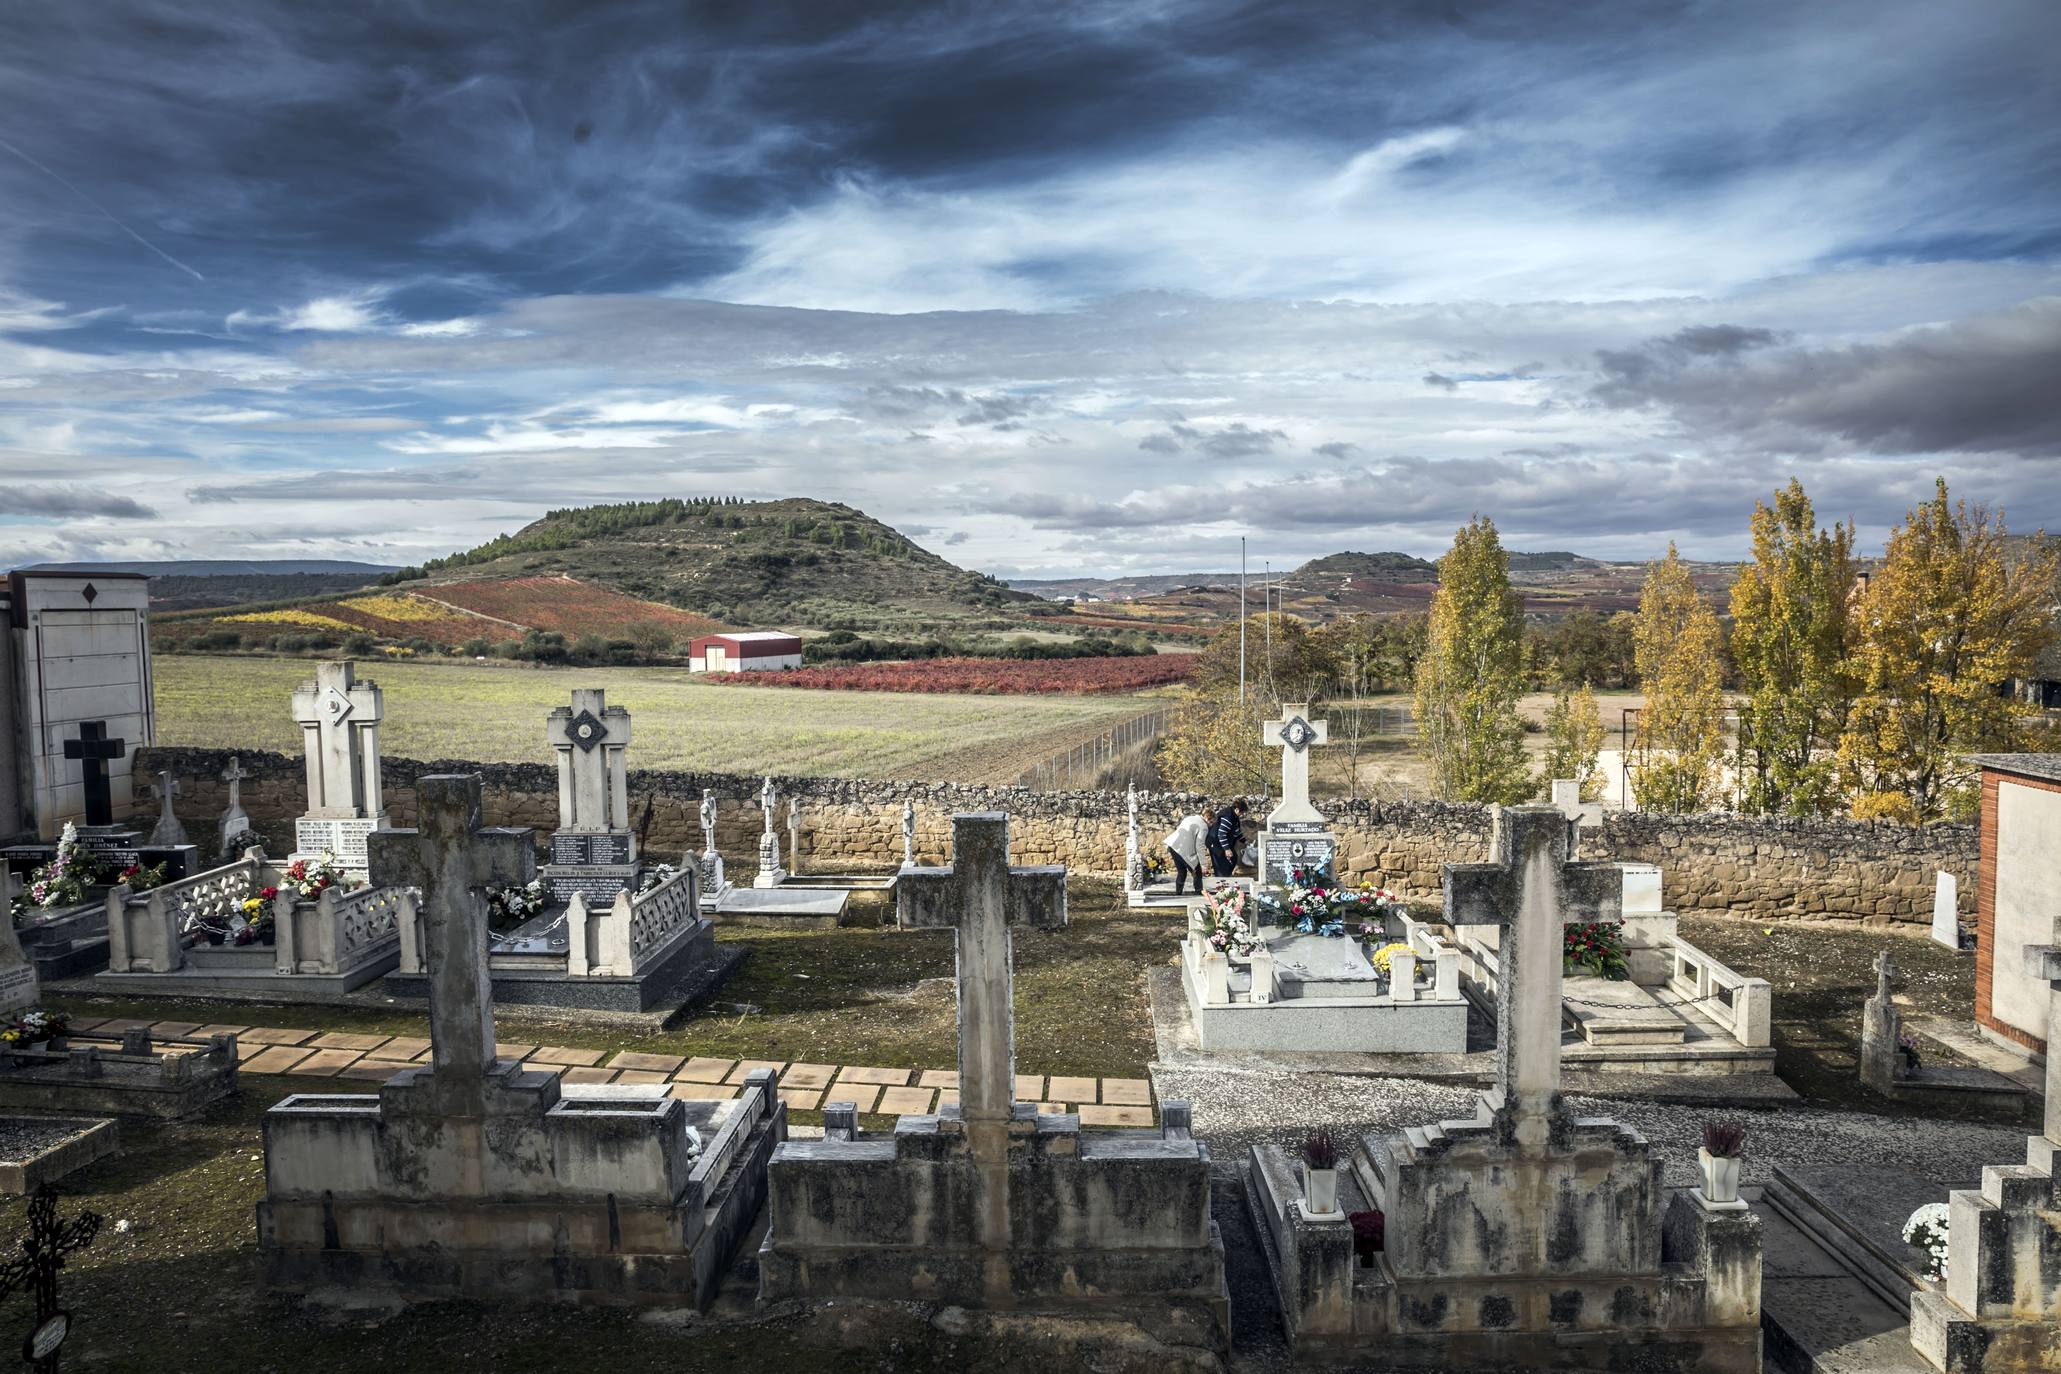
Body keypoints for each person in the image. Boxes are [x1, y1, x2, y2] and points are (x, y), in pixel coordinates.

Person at [1163, 809, 1211, 896]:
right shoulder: (1204, 826)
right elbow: (1199, 846)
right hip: (1184, 851)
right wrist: (1203, 864)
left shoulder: (1189, 818)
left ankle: (1178, 894)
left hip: (1173, 846)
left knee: (1182, 872)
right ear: (1208, 818)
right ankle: (1198, 893)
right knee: (1198, 872)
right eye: (1211, 822)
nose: (1210, 824)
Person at [1208, 799, 1249, 877]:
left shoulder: (1234, 817)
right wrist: (1227, 849)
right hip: (1216, 844)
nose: (1242, 814)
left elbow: (1236, 830)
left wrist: (1245, 841)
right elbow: (1221, 834)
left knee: (1233, 858)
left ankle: (1226, 877)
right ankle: (1221, 882)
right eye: (1242, 812)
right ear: (1237, 809)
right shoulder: (1228, 817)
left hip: (1222, 844)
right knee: (1221, 868)